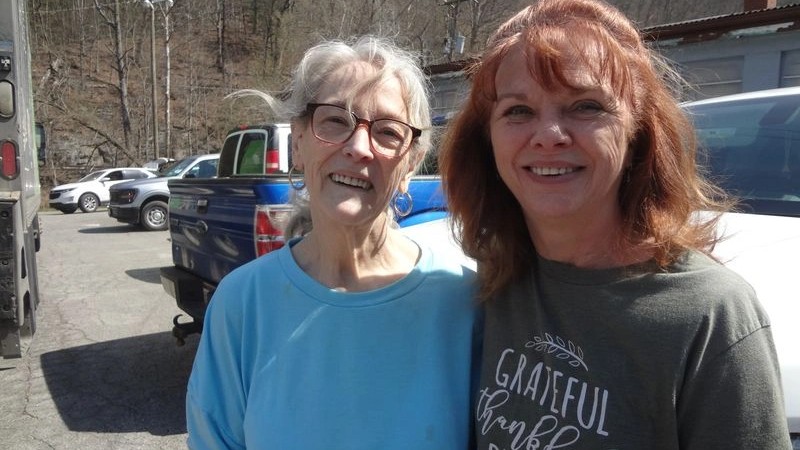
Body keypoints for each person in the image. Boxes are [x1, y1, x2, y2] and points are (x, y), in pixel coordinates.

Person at [439, 0, 791, 448]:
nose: (549, 133)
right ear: (485, 138)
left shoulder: (710, 316)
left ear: (637, 130)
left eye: (585, 106)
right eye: (518, 111)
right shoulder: (493, 278)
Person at [186, 37, 481, 449]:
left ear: (410, 164)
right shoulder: (242, 304)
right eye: (335, 121)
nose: (359, 148)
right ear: (299, 144)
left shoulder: (464, 303)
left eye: (387, 132)